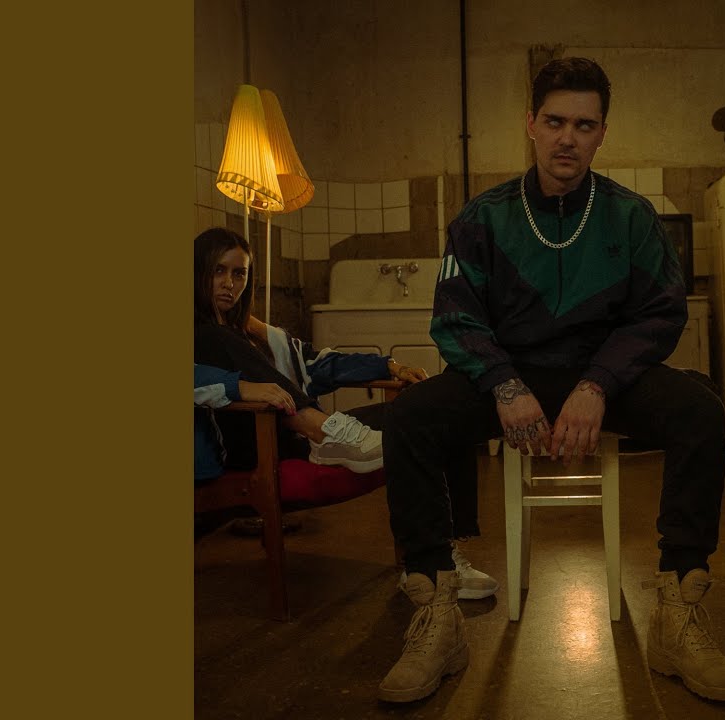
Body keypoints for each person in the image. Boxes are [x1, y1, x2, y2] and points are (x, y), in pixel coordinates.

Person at [376, 57, 725, 704]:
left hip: (603, 378)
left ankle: (678, 612)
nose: (567, 139)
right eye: (554, 122)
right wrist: (504, 384)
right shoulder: (483, 218)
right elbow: (455, 317)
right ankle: (437, 612)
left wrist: (598, 383)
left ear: (602, 132)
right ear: (531, 124)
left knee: (700, 410)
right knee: (410, 418)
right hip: (510, 379)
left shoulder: (630, 216)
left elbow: (660, 314)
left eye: (584, 125)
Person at [192, 227, 498, 599]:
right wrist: (238, 387)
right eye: (218, 271)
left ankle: (438, 557)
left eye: (239, 273)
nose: (229, 283)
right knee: (213, 335)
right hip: (251, 445)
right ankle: (326, 432)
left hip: (299, 438)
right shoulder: (201, 334)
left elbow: (317, 362)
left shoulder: (254, 335)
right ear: (198, 271)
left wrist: (388, 366)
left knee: (438, 415)